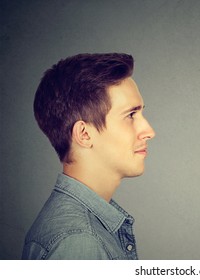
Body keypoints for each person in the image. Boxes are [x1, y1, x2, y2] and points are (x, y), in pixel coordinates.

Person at [22, 53, 155, 259]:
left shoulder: (78, 231)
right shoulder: (79, 241)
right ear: (84, 134)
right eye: (130, 115)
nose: (148, 131)